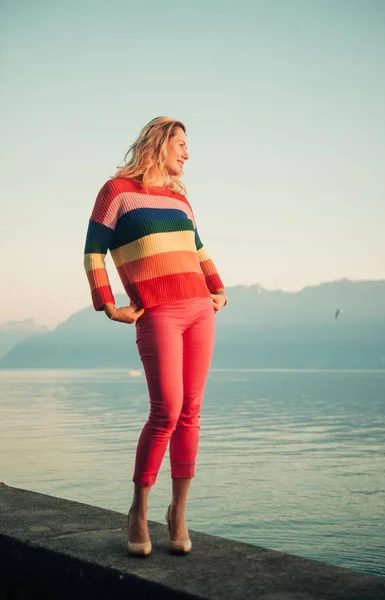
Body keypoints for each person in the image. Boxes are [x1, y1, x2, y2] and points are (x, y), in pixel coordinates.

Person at [83, 117, 227, 557]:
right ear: (159, 143)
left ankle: (178, 514)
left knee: (192, 412)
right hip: (157, 311)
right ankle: (138, 510)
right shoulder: (117, 192)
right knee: (167, 410)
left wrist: (217, 287)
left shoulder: (180, 199)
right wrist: (107, 305)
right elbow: (93, 253)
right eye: (181, 144)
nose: (187, 153)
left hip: (200, 309)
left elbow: (197, 247)